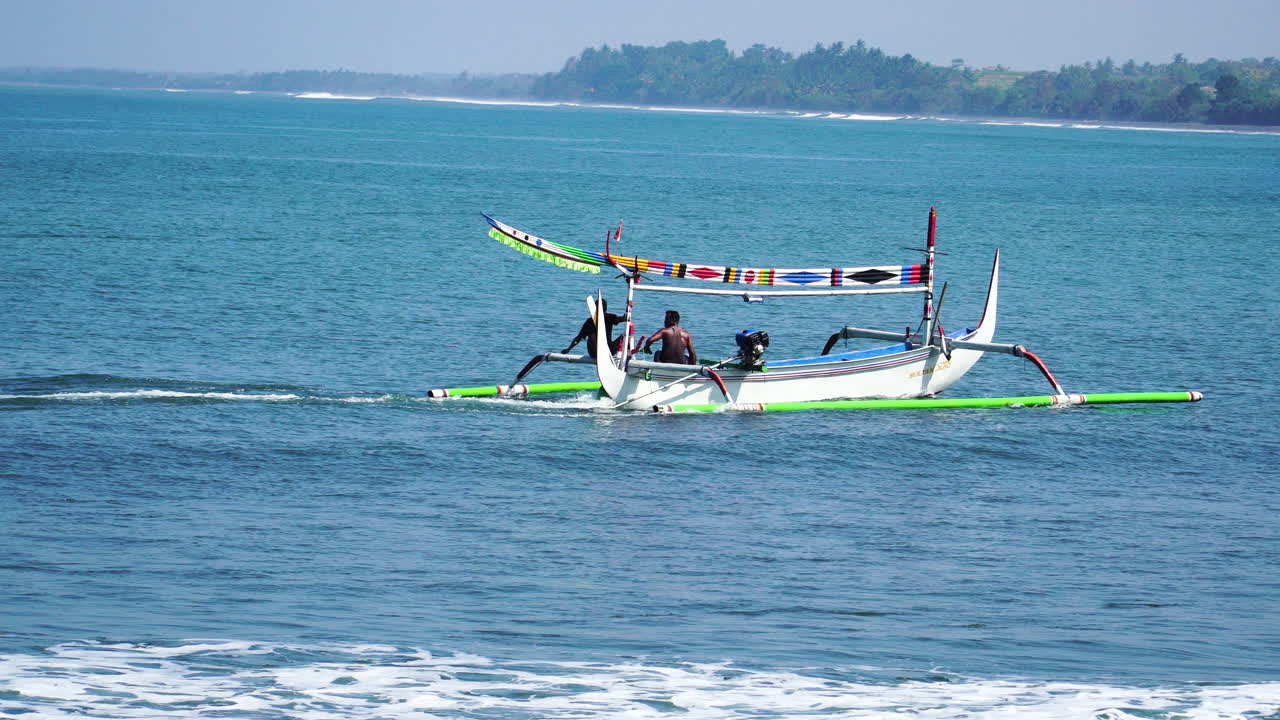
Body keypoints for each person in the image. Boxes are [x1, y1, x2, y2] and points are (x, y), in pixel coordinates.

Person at [562, 299, 627, 358]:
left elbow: (578, 338)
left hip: (607, 350)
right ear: (606, 308)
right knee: (625, 336)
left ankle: (621, 356)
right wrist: (568, 349)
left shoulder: (609, 317)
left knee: (625, 336)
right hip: (596, 352)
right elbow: (625, 318)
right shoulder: (591, 321)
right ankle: (619, 355)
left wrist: (569, 349)